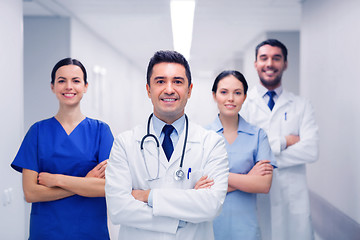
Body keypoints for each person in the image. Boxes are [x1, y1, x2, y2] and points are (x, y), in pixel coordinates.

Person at [105, 50, 229, 240]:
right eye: (160, 81)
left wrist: (148, 196)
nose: (169, 89)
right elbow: (118, 209)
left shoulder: (211, 143)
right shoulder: (125, 143)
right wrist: (179, 216)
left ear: (189, 90)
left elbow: (211, 205)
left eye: (178, 82)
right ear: (148, 89)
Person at [11, 58, 114, 239]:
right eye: (61, 81)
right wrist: (85, 181)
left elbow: (107, 187)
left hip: (89, 232)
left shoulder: (100, 131)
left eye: (76, 81)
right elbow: (30, 192)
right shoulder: (37, 131)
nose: (69, 86)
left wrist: (56, 179)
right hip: (47, 232)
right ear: (52, 87)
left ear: (85, 86)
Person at [240, 39, 319, 240]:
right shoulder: (244, 104)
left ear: (285, 63)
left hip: (292, 198)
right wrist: (284, 141)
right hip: (256, 197)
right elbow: (243, 152)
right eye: (264, 58)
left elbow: (311, 150)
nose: (270, 64)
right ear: (256, 63)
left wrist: (264, 158)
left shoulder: (301, 105)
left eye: (276, 58)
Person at [207, 70, 276, 240]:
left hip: (246, 229)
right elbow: (198, 188)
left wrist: (218, 179)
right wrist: (248, 178)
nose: (230, 98)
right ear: (214, 95)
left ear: (244, 97)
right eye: (224, 92)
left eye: (237, 93)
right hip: (209, 228)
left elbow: (264, 185)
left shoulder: (259, 135)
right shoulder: (202, 136)